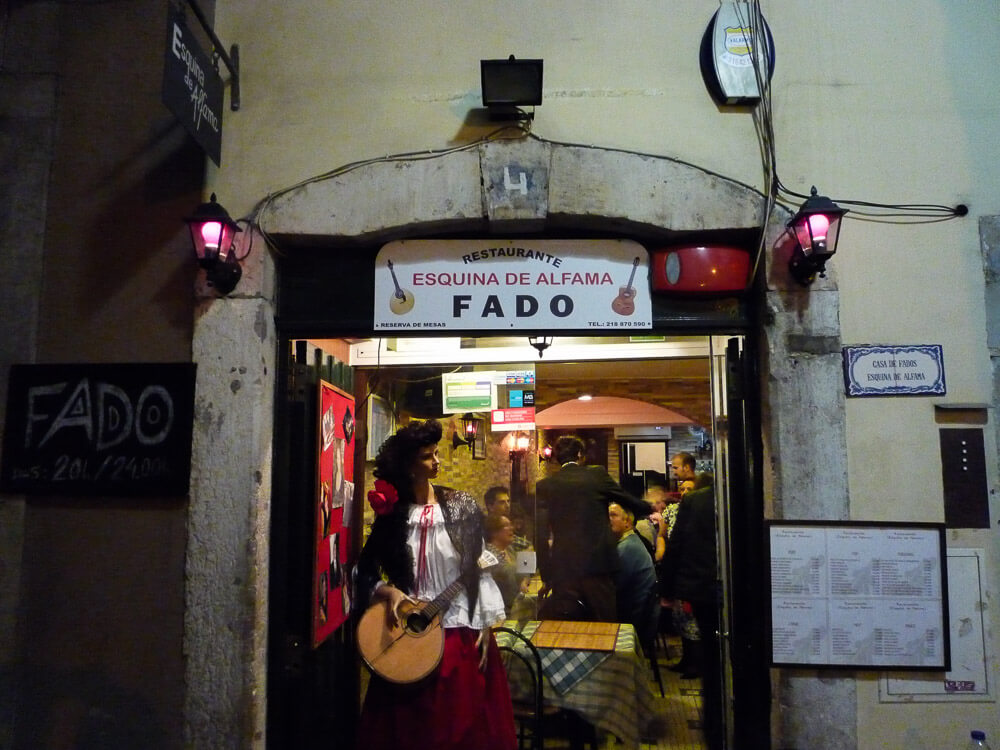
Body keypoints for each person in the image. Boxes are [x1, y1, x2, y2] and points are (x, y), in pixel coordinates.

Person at [355, 419, 516, 750]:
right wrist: (389, 592)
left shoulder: (460, 507)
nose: (437, 462)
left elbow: (477, 569)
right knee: (406, 730)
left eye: (436, 453)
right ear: (410, 465)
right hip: (406, 637)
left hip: (458, 630)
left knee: (460, 723)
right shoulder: (394, 514)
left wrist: (484, 626)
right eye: (428, 456)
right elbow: (364, 569)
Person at [535, 435, 652, 621]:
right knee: (604, 624)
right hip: (598, 567)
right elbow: (627, 500)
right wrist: (649, 508)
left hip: (564, 571)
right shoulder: (596, 475)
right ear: (580, 454)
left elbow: (540, 535)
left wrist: (547, 574)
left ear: (556, 457)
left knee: (568, 624)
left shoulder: (545, 485)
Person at [668, 470, 721, 750]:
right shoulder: (728, 496)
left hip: (702, 587)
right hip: (735, 588)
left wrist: (668, 588)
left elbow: (677, 545)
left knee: (713, 660)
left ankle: (715, 731)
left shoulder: (695, 502)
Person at [608, 502, 659, 648]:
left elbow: (613, 588)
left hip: (635, 621)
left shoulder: (627, 548)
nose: (608, 519)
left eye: (613, 515)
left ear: (627, 522)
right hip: (641, 615)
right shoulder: (631, 541)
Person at [484, 513, 526, 611]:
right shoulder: (488, 555)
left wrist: (524, 581)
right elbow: (506, 576)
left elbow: (527, 570)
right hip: (502, 610)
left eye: (511, 524)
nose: (512, 528)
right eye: (506, 525)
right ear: (494, 532)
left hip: (516, 605)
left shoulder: (509, 549)